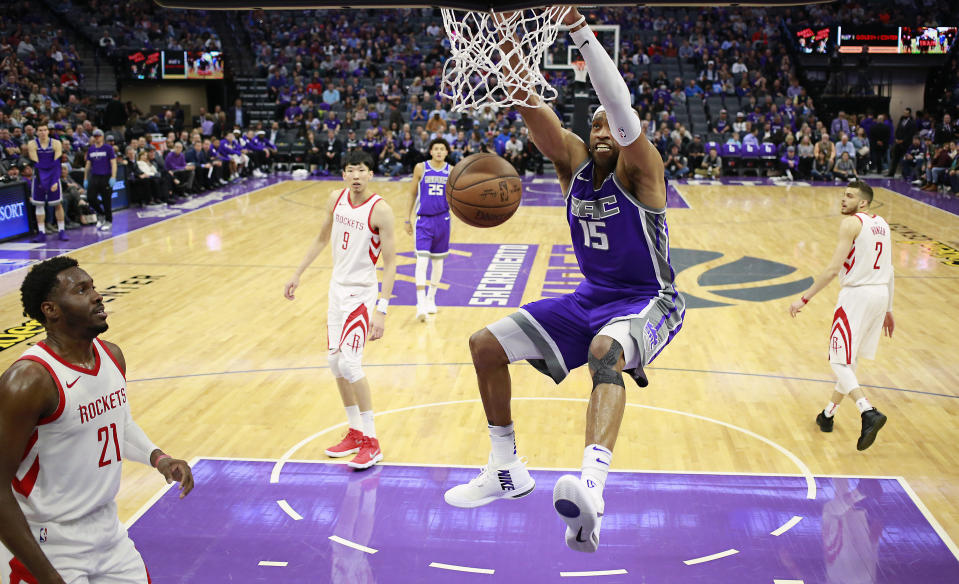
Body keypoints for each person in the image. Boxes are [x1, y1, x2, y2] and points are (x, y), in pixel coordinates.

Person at [444, 7, 685, 554]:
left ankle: (592, 491)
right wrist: (506, 46)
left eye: (611, 125)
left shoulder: (642, 167)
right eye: (594, 124)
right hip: (591, 298)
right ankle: (505, 467)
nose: (603, 130)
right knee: (484, 344)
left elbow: (619, 107)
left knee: (605, 350)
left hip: (651, 299)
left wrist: (578, 29)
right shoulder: (572, 161)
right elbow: (529, 102)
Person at [0, 256, 194, 583]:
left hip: (107, 530)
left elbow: (119, 423)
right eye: (81, 290)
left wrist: (159, 458)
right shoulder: (29, 381)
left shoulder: (112, 356)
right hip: (49, 542)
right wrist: (48, 576)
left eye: (94, 287)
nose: (97, 296)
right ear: (51, 310)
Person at [283, 151, 397, 470]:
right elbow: (321, 238)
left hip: (361, 294)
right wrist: (297, 273)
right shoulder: (336, 199)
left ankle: (372, 442)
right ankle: (356, 431)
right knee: (333, 362)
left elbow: (391, 264)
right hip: (337, 290)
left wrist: (382, 309)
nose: (356, 175)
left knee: (350, 363)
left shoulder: (381, 211)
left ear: (371, 174)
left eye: (362, 170)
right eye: (351, 170)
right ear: (344, 174)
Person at [788, 181, 893, 451]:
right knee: (850, 362)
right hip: (880, 295)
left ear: (864, 202)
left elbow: (834, 268)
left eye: (850, 196)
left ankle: (867, 410)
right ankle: (828, 415)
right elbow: (890, 270)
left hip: (856, 297)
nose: (843, 200)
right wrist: (889, 308)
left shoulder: (851, 224)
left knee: (837, 360)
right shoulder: (882, 223)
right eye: (843, 195)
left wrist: (804, 298)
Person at [405, 138, 451, 321]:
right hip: (423, 220)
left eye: (442, 149)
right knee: (422, 261)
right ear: (431, 151)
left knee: (438, 263)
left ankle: (431, 297)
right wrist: (406, 219)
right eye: (436, 149)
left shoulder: (452, 171)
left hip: (443, 219)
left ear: (447, 152)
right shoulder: (420, 168)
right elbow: (411, 194)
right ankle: (420, 303)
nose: (439, 151)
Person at [26, 124, 67, 242]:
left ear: (48, 131)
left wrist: (54, 180)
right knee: (39, 204)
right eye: (40, 130)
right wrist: (42, 181)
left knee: (57, 204)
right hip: (39, 175)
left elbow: (57, 163)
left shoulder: (56, 143)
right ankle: (41, 232)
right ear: (36, 132)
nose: (43, 132)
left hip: (53, 174)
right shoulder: (32, 144)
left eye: (45, 130)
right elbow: (37, 164)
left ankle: (62, 231)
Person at [84, 129, 117, 231]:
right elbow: (88, 164)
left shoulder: (108, 148)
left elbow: (113, 163)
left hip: (106, 176)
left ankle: (109, 220)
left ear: (102, 137)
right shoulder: (91, 149)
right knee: (90, 197)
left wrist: (113, 176)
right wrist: (85, 178)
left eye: (98, 136)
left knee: (106, 200)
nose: (97, 137)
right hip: (95, 176)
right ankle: (101, 213)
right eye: (95, 136)